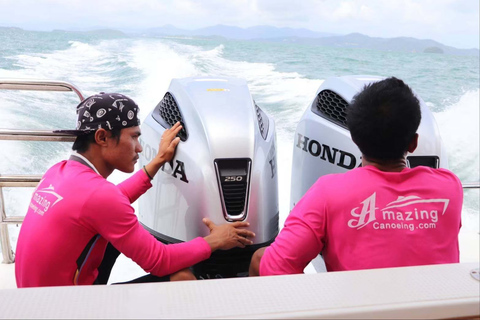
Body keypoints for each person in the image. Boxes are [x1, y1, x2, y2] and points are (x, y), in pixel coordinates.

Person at [15, 92, 255, 287]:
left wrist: (157, 162)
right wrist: (214, 240)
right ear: (102, 137)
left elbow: (108, 202)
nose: (140, 148)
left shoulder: (60, 171)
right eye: (134, 137)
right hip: (67, 308)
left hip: (36, 300)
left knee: (119, 234)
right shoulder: (99, 196)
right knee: (181, 277)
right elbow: (160, 261)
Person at [250, 77, 463, 276]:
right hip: (440, 310)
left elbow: (275, 267)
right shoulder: (450, 187)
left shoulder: (328, 193)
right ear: (414, 143)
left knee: (259, 259)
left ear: (354, 137)